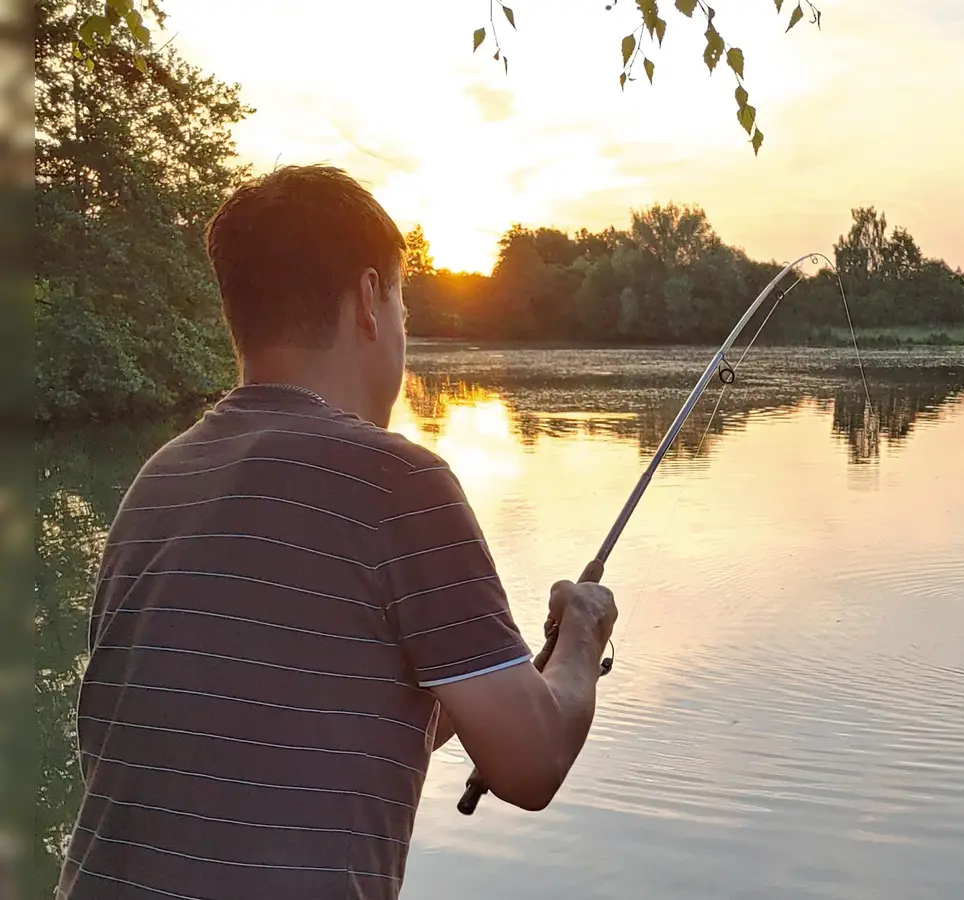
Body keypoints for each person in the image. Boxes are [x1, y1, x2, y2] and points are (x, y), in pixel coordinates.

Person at [54, 164, 618, 900]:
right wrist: (581, 634)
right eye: (405, 305)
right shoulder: (400, 482)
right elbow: (533, 763)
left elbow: (315, 714)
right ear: (368, 301)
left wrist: (484, 677)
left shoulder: (159, 482)